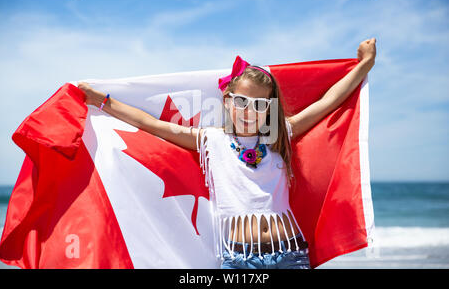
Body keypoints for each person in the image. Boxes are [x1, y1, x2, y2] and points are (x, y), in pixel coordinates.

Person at [78, 38, 376, 269]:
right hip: (237, 260)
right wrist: (101, 101)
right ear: (228, 99)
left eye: (261, 106)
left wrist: (364, 65)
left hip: (289, 254)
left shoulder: (277, 137)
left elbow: (326, 103)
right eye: (242, 102)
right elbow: (151, 124)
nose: (250, 111)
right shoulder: (211, 141)